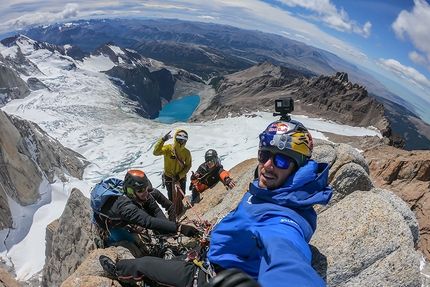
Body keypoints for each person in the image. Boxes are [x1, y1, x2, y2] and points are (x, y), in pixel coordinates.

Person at [100, 119, 332, 287]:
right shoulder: (272, 192)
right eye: (264, 155)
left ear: (298, 168)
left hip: (209, 276)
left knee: (145, 265)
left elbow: (289, 262)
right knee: (166, 260)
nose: (268, 165)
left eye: (281, 160)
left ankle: (118, 271)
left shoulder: (282, 220)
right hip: (206, 257)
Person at [92, 169, 199, 253]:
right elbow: (148, 221)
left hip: (123, 216)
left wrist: (168, 227)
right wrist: (179, 228)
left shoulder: (143, 195)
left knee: (154, 228)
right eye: (141, 190)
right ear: (131, 191)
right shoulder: (123, 206)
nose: (145, 193)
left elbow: (156, 211)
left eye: (146, 189)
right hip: (109, 223)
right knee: (131, 242)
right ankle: (107, 242)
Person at [153, 129, 192, 217]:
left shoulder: (186, 152)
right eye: (179, 140)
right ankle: (174, 214)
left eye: (183, 140)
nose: (181, 142)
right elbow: (156, 152)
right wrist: (162, 140)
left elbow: (188, 166)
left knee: (181, 196)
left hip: (179, 178)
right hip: (169, 177)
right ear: (176, 139)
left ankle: (178, 211)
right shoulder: (168, 149)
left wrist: (179, 175)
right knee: (171, 197)